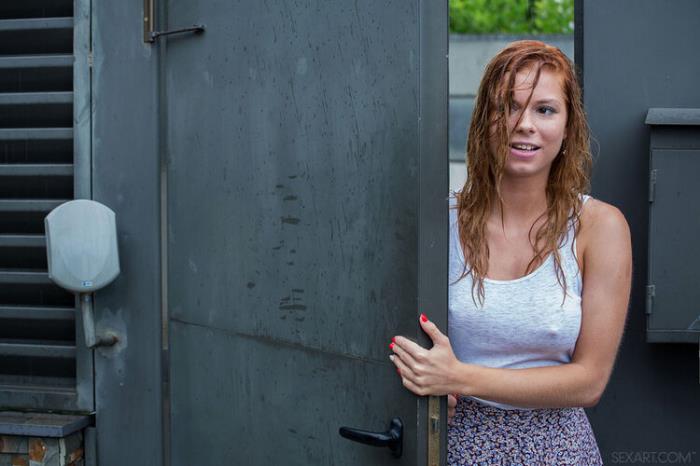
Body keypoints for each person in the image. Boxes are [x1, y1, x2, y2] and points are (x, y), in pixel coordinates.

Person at [388, 40, 632, 464]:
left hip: (559, 452)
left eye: (545, 109)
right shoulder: (438, 222)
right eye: (508, 107)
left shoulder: (600, 227)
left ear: (569, 126)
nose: (524, 124)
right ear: (485, 119)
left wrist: (458, 377)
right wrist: (427, 388)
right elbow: (394, 345)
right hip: (455, 446)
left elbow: (589, 381)